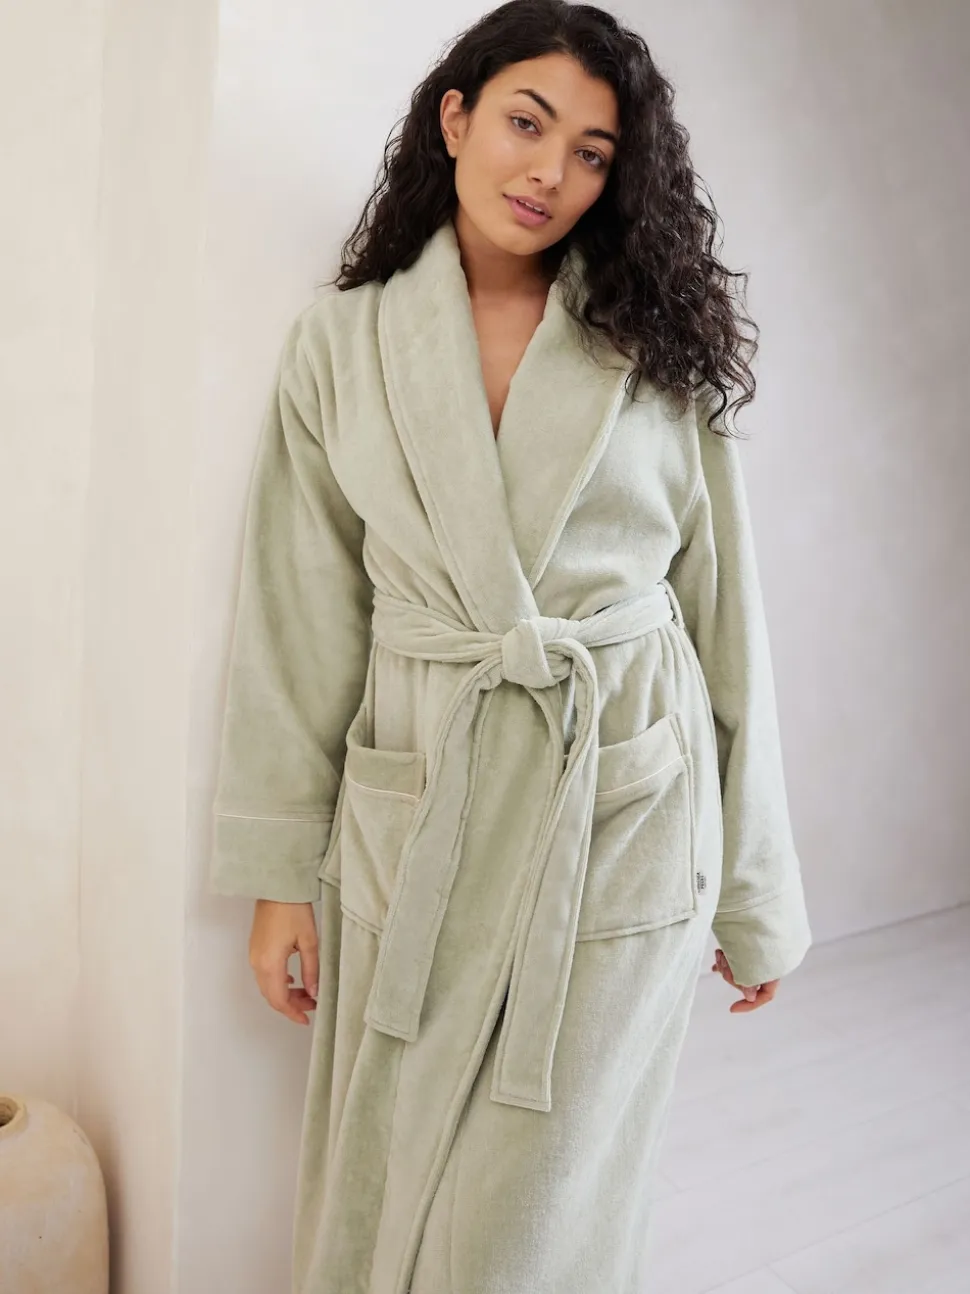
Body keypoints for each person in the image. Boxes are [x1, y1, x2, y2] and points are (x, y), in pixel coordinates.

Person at [208, 2, 812, 1289]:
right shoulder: (342, 345)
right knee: (386, 1186)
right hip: (418, 807)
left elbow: (724, 614)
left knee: (537, 1223)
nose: (549, 172)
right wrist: (277, 873)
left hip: (618, 812)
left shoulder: (652, 348)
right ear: (456, 117)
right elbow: (296, 616)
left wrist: (753, 889)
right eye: (527, 124)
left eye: (592, 153)